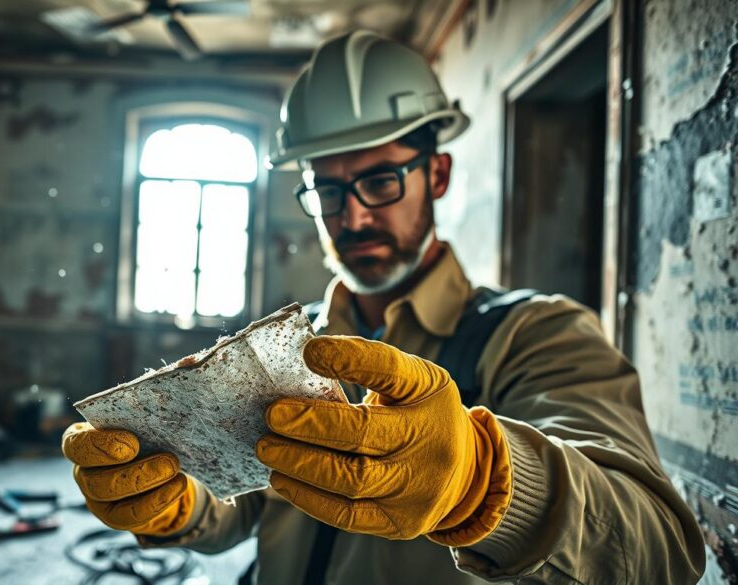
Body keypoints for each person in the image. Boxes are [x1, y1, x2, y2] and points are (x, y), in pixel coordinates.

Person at [62, 31, 705, 583]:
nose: (355, 214)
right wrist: (177, 505)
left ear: (440, 175)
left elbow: (663, 555)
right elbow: (250, 505)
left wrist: (481, 483)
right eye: (329, 189)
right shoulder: (290, 347)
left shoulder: (539, 334)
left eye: (380, 180)